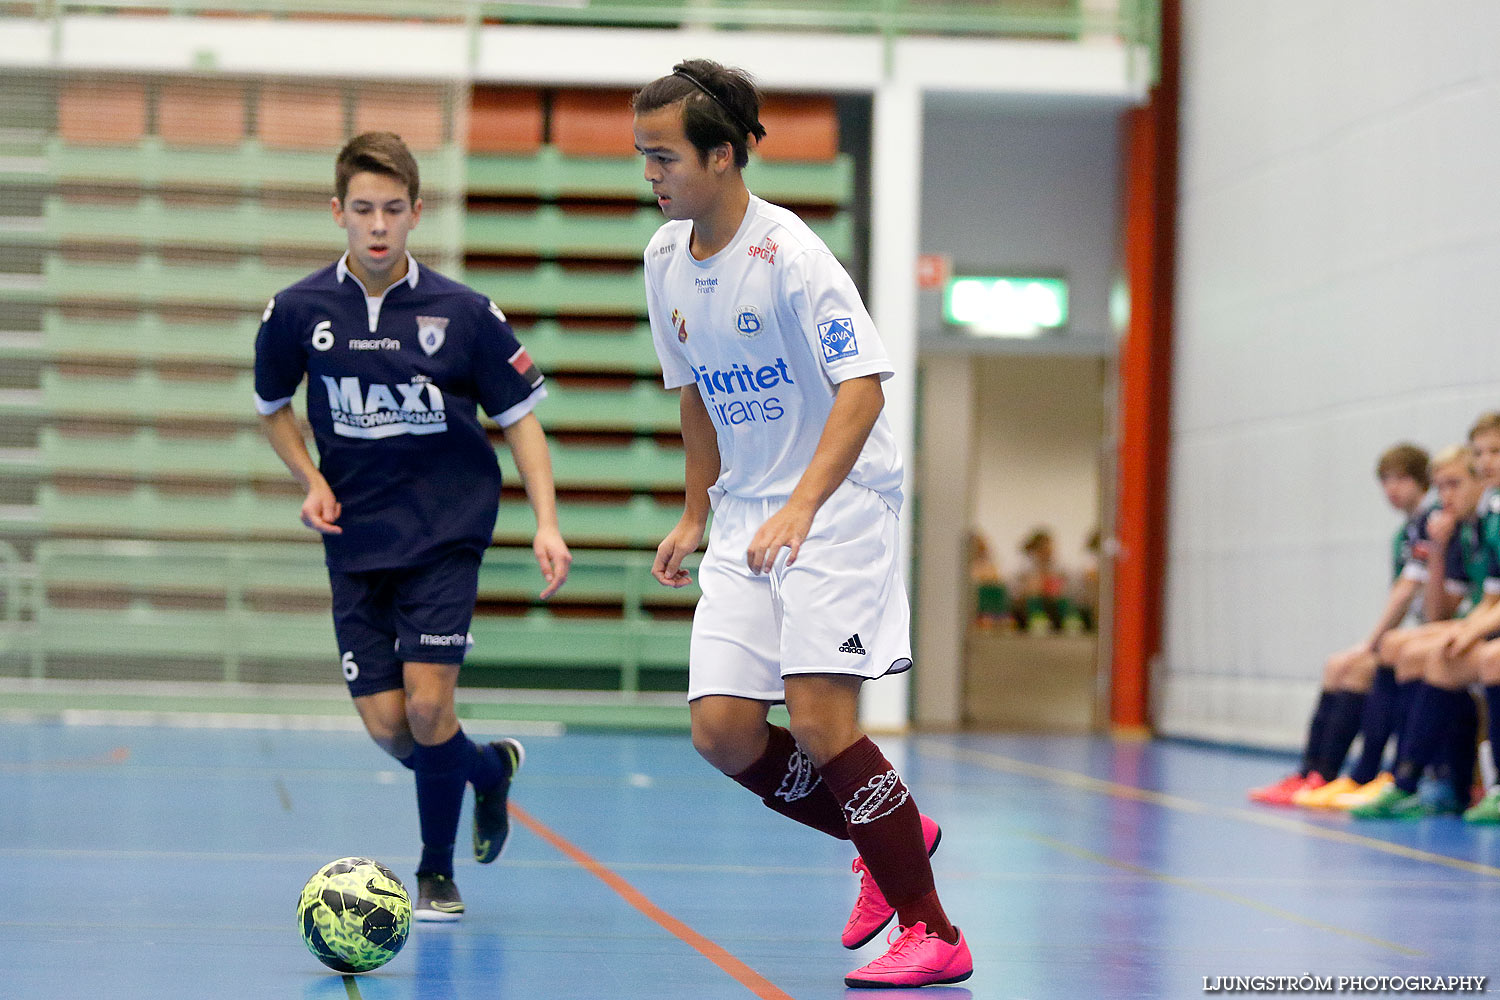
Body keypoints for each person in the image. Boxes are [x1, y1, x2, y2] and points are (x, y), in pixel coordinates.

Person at [634, 60, 971, 989]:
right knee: (724, 732)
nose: (651, 176)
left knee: (823, 720)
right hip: (748, 513)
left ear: (724, 154)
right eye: (643, 158)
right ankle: (885, 828)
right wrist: (695, 510)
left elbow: (860, 388)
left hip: (839, 500)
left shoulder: (792, 257)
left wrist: (804, 505)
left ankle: (933, 930)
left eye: (664, 158)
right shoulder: (665, 260)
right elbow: (693, 400)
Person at [253, 132, 572, 919]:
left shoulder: (463, 314)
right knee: (392, 728)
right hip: (355, 544)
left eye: (393, 209)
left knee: (430, 709)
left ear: (416, 213)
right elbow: (273, 410)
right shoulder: (298, 311)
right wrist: (312, 479)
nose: (378, 225)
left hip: (444, 537)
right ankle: (488, 772)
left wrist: (547, 523)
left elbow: (522, 421)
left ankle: (435, 871)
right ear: (338, 213)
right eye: (362, 209)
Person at [1247, 442, 1431, 806]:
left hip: (1434, 633)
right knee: (1337, 666)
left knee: (1363, 666)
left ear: (1422, 481)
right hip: (1420, 631)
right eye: (1385, 480)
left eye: (1402, 478)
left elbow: (1408, 592)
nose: (1392, 489)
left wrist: (1373, 641)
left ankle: (1367, 773)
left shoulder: (1431, 523)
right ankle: (1313, 772)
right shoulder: (1405, 534)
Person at [1353, 424, 1500, 819]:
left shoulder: (1489, 518)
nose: (1445, 496)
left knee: (1454, 657)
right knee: (1409, 648)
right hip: (1486, 621)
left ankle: (1425, 781)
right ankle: (1406, 779)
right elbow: (1463, 605)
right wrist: (1437, 552)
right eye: (1481, 453)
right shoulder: (1478, 523)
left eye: (1493, 453)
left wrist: (1467, 629)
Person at [1011, 527, 1069, 633]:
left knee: (1063, 601)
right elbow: (1024, 589)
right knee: (1034, 596)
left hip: (1051, 599)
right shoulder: (1025, 563)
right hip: (1028, 599)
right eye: (1045, 546)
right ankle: (1037, 619)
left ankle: (1068, 620)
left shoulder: (1057, 564)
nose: (1049, 549)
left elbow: (1060, 585)